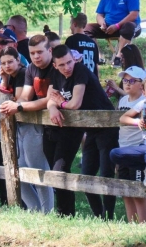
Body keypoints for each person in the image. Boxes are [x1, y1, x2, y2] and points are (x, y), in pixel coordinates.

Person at [46, 43, 116, 217]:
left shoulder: (81, 70)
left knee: (106, 175)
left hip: (106, 125)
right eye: (61, 64)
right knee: (86, 175)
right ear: (55, 65)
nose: (67, 67)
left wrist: (61, 103)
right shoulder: (55, 74)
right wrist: (53, 108)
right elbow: (50, 97)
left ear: (74, 59)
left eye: (69, 62)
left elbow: (74, 104)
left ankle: (110, 216)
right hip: (90, 128)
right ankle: (100, 216)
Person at [0, 34, 56, 213]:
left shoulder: (55, 69)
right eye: (32, 53)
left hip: (43, 125)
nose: (36, 56)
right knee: (19, 172)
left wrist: (19, 106)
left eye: (40, 52)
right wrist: (17, 104)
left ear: (49, 51)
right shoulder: (31, 69)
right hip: (26, 123)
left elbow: (48, 99)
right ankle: (35, 210)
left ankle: (47, 214)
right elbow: (24, 97)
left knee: (38, 171)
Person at [110, 67, 146, 222]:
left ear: (141, 84)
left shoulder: (144, 102)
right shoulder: (122, 100)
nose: (127, 84)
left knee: (138, 191)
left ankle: (144, 224)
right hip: (123, 148)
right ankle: (132, 224)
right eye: (125, 80)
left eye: (132, 81)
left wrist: (136, 122)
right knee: (125, 190)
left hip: (137, 149)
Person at [87, 0, 141, 66]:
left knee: (128, 26)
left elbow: (134, 15)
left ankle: (119, 56)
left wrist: (117, 26)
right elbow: (99, 14)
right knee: (87, 28)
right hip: (108, 27)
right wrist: (102, 24)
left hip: (127, 27)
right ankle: (97, 56)